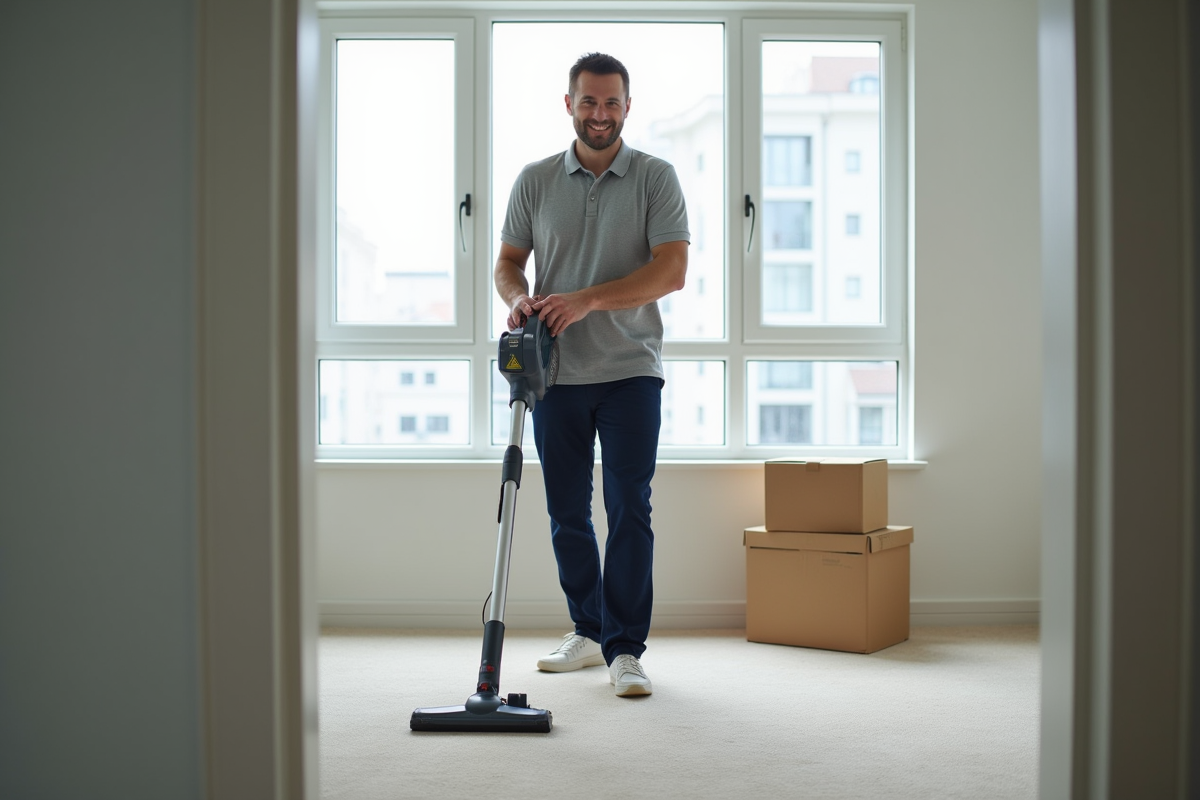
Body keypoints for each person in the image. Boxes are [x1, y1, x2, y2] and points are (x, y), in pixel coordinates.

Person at [493, 52, 689, 697]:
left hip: (632, 368)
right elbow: (508, 263)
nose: (599, 113)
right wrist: (517, 297)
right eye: (588, 102)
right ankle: (589, 628)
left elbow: (670, 272)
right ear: (569, 103)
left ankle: (625, 650)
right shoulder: (535, 179)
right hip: (555, 373)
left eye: (611, 103)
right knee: (565, 512)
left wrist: (585, 299)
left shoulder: (655, 178)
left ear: (628, 107)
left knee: (629, 506)